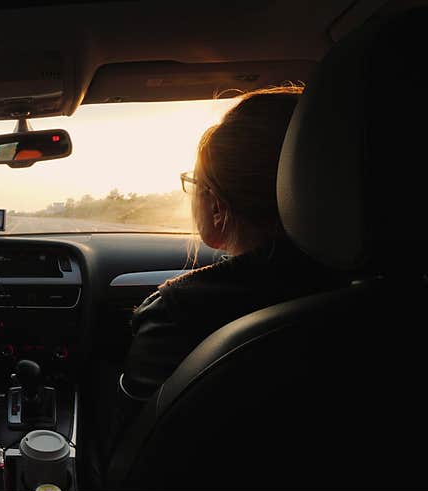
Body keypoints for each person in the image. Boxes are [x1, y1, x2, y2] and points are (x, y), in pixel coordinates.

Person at [100, 86, 343, 470]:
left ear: (216, 205)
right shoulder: (390, 304)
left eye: (194, 183)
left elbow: (126, 463)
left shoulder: (177, 314)